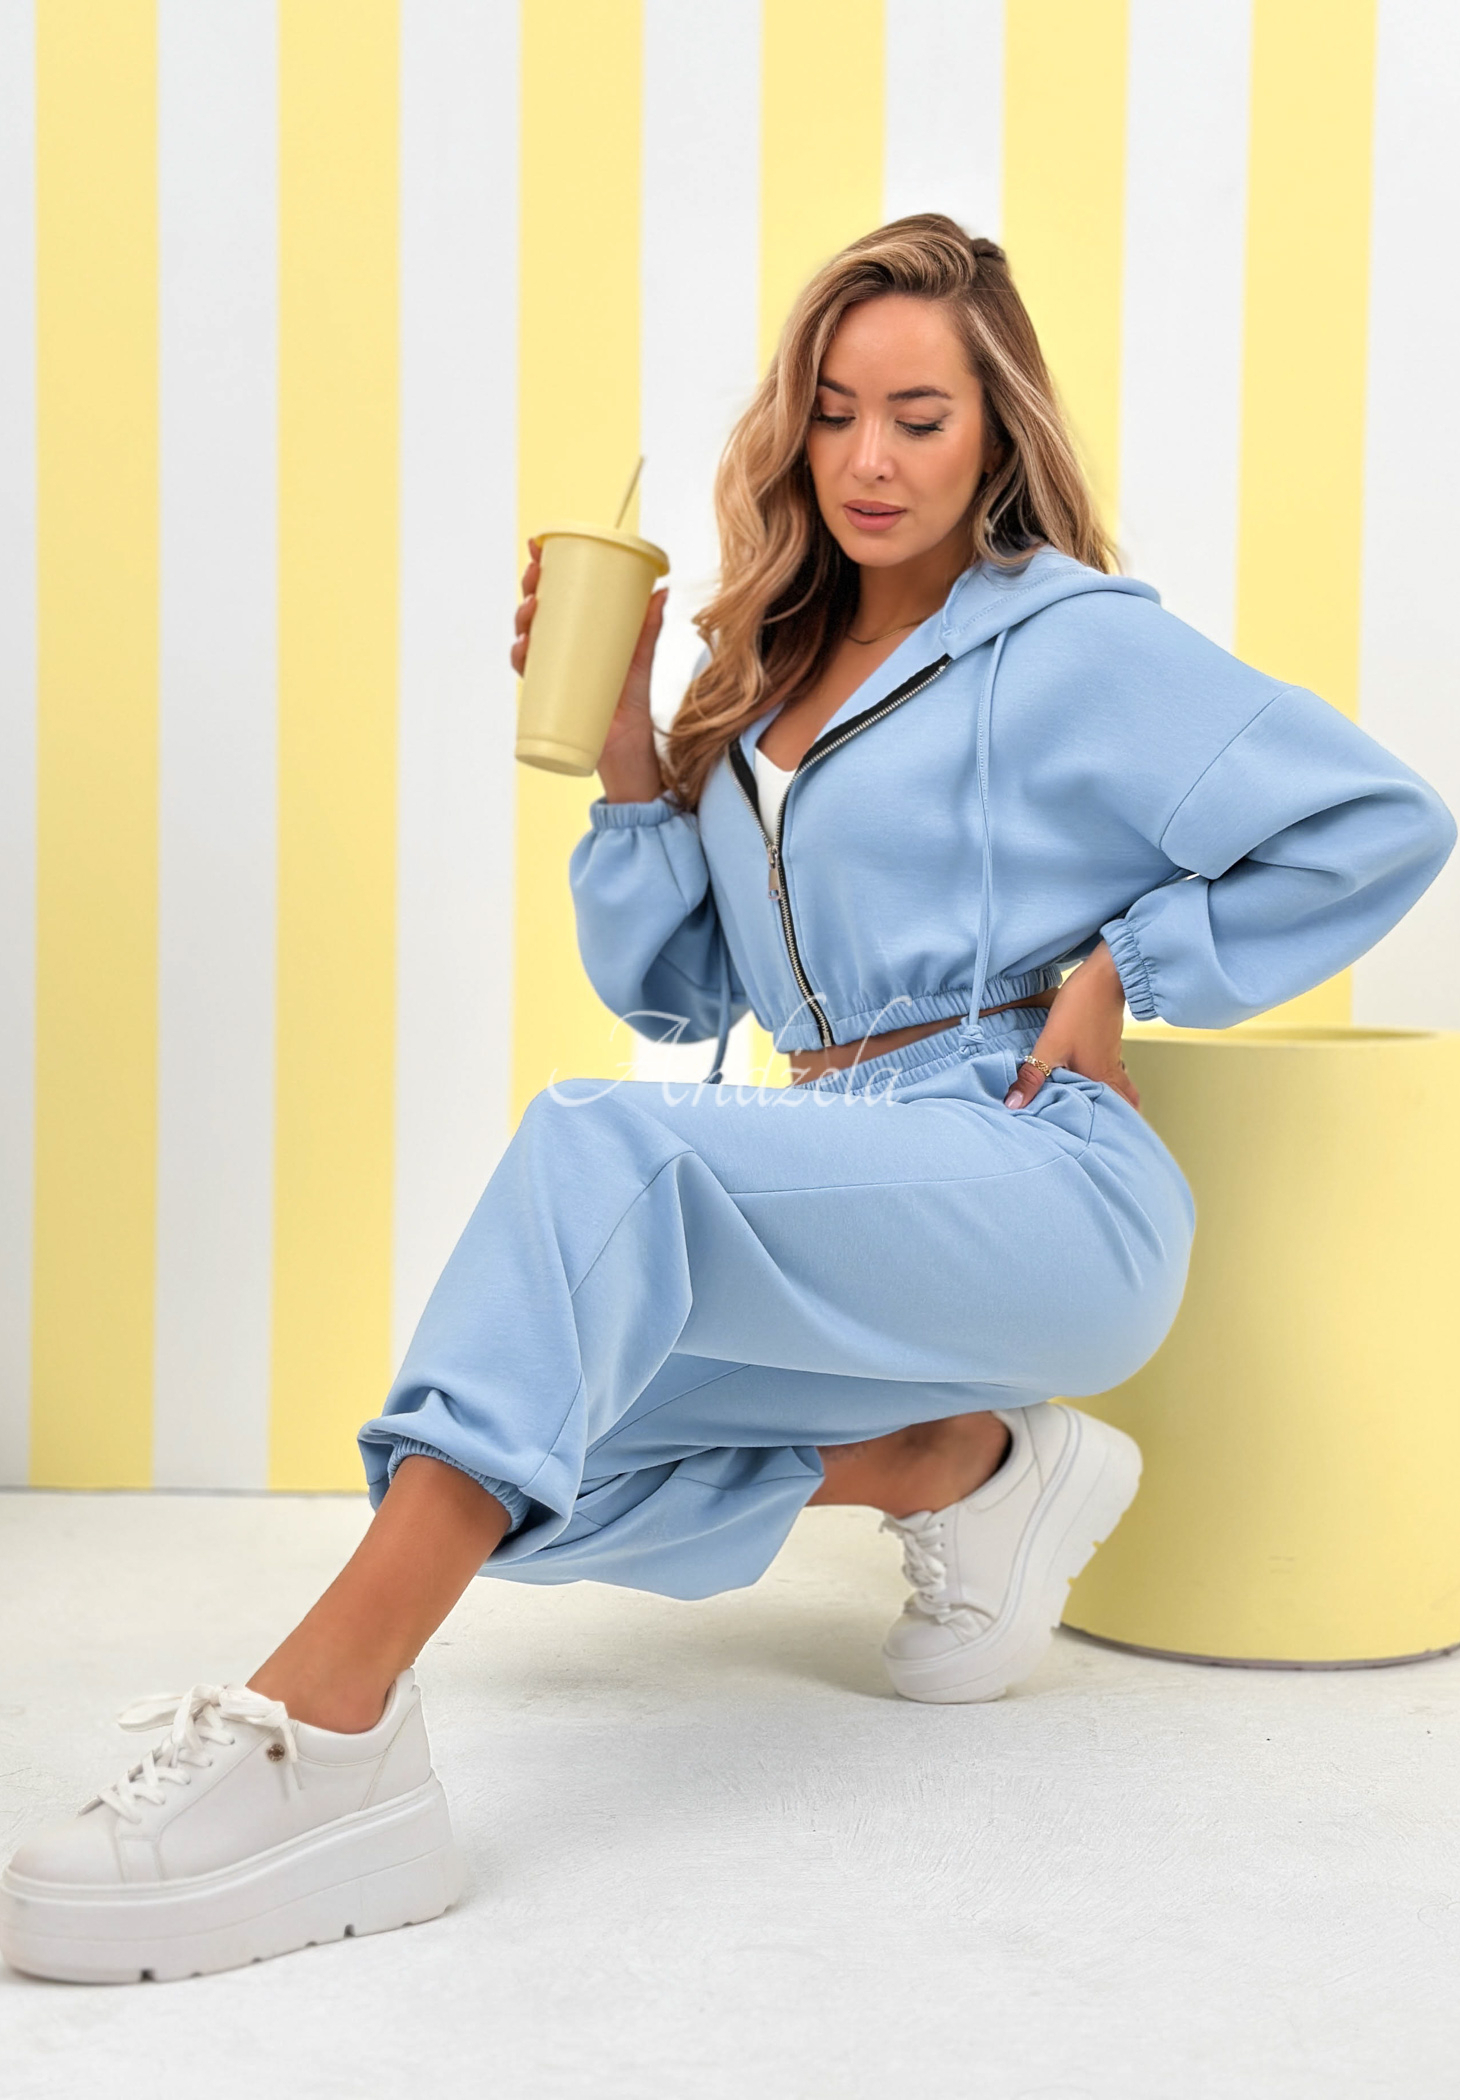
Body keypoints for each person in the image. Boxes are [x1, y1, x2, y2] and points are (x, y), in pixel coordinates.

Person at [3, 214, 1453, 1986]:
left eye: (918, 415)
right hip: (845, 1167)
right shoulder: (764, 674)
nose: (868, 459)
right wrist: (632, 737)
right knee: (526, 1454)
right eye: (832, 413)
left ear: (995, 430)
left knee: (590, 1154)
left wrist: (1126, 967)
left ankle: (325, 1735)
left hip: (1036, 1170)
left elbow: (1379, 821)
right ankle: (962, 1467)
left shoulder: (1069, 643)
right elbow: (675, 992)